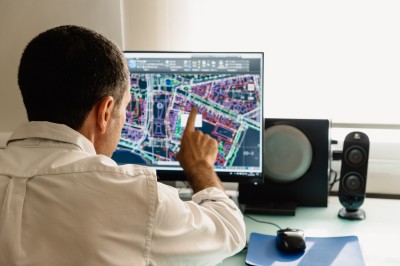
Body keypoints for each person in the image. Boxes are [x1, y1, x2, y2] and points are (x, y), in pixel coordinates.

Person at [0, 25, 246, 266]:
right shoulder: (134, 197)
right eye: (126, 107)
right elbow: (230, 230)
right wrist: (200, 165)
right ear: (105, 112)